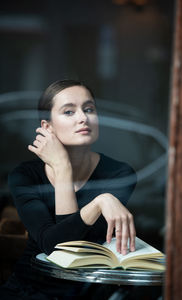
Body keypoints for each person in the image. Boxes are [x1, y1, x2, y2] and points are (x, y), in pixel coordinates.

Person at [0, 79, 137, 299]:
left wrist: (101, 199)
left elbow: (74, 253)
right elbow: (57, 249)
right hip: (28, 291)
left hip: (86, 292)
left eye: (89, 109)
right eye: (69, 112)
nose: (83, 117)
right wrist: (63, 168)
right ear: (47, 127)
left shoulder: (119, 174)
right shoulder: (25, 176)